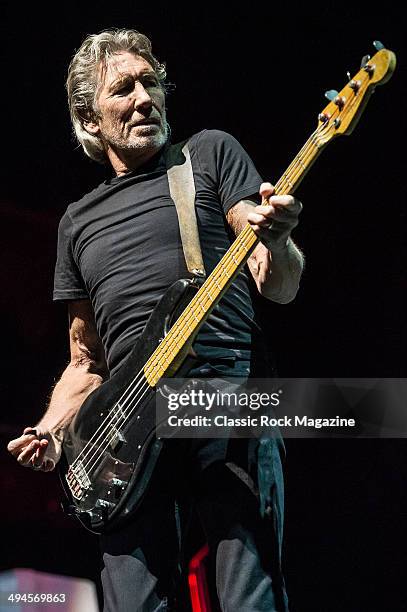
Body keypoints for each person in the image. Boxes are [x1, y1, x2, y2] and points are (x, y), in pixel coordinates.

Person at [7, 29, 304, 611]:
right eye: (124, 89)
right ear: (90, 120)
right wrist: (50, 428)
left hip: (228, 397)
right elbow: (83, 362)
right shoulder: (77, 223)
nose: (145, 98)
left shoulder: (210, 154)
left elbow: (279, 281)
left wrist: (282, 237)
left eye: (152, 83)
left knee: (250, 596)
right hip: (125, 430)